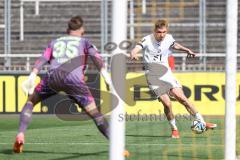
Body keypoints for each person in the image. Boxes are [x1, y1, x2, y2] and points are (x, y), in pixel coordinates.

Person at [13, 16, 129, 157]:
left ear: (68, 30)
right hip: (74, 79)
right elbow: (96, 58)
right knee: (95, 113)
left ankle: (20, 133)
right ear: (82, 30)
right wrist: (106, 76)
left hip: (53, 76)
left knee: (31, 101)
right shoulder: (85, 41)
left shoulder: (55, 42)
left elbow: (43, 58)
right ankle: (118, 148)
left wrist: (33, 74)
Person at [130, 19, 217, 138]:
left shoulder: (168, 38)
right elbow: (136, 48)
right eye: (160, 32)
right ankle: (174, 129)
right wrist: (133, 54)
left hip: (167, 74)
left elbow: (175, 45)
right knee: (167, 104)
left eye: (164, 32)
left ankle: (202, 121)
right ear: (155, 30)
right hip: (153, 76)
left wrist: (186, 49)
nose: (162, 35)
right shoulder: (147, 39)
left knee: (182, 98)